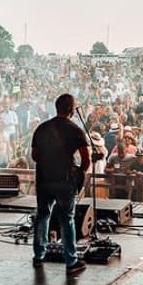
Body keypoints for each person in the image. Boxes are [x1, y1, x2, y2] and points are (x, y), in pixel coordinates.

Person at [31, 93, 90, 275]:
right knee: (67, 220)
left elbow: (34, 155)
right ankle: (71, 262)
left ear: (56, 107)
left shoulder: (42, 128)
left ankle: (39, 256)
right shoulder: (75, 130)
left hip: (44, 180)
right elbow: (86, 159)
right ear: (72, 110)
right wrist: (79, 171)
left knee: (42, 216)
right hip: (65, 181)